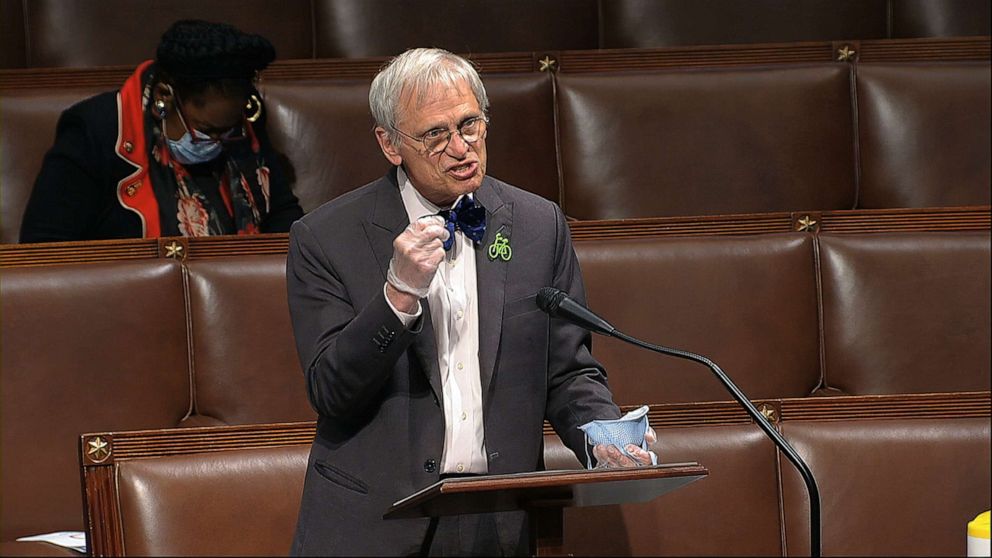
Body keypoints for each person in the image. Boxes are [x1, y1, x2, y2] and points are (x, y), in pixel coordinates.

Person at [286, 48, 655, 556]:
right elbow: (331, 391)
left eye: (470, 125)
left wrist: (604, 436)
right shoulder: (325, 237)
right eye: (436, 135)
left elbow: (569, 371)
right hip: (374, 524)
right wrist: (398, 295)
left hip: (499, 517)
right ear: (390, 144)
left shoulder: (537, 225)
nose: (461, 148)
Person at [19, 19, 303, 243]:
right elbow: (45, 246)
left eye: (228, 131)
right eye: (206, 130)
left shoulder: (243, 124)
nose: (218, 142)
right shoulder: (94, 131)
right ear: (163, 98)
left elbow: (284, 219)